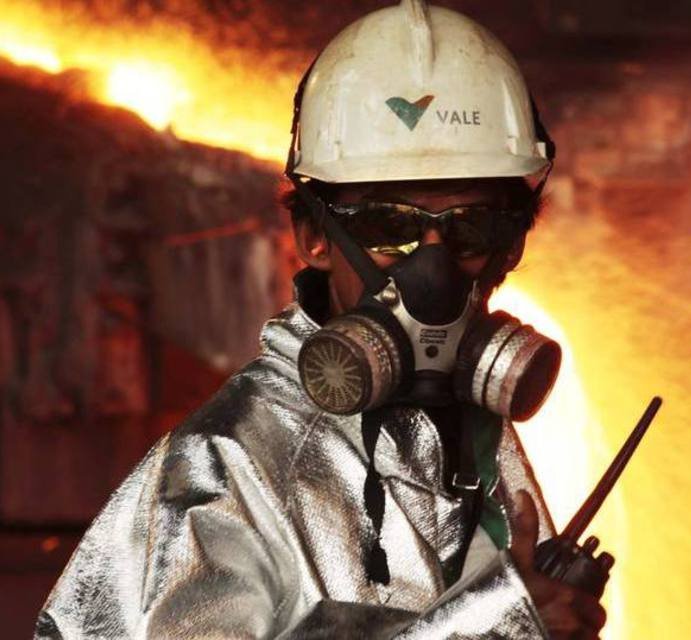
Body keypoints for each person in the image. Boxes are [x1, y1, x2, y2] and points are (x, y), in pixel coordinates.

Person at [36, 1, 609, 638]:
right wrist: (492, 628)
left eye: (471, 228)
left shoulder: (476, 434)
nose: (433, 270)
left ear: (512, 246)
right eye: (388, 226)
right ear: (314, 237)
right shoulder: (226, 466)